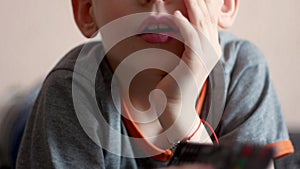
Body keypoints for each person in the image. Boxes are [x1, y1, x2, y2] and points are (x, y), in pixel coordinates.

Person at [16, 0, 294, 168]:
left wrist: (184, 120)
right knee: (21, 117)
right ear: (88, 10)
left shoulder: (244, 68)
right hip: (31, 118)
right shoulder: (71, 89)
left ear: (224, 4)